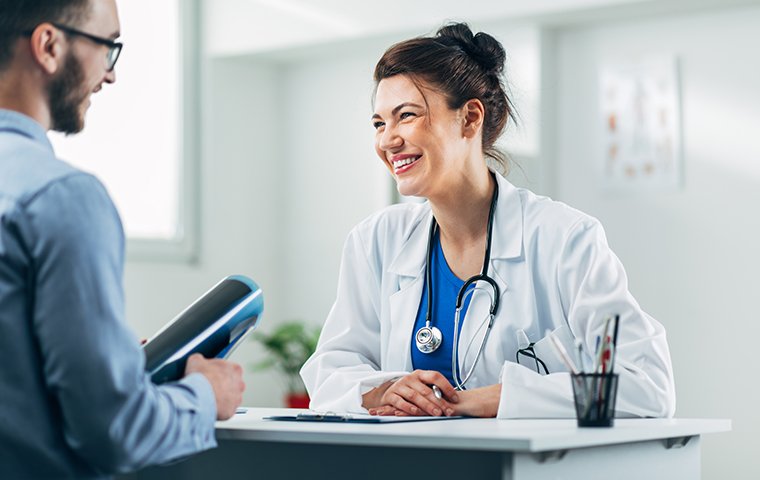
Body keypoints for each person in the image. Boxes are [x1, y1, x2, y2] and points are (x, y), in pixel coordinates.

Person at [300, 23, 676, 419]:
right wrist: (384, 392)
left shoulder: (564, 238)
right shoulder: (376, 241)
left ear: (469, 118)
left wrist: (488, 399)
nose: (387, 140)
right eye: (379, 123)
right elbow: (329, 373)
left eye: (406, 116)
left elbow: (647, 386)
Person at [0, 1, 245, 478]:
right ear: (49, 45)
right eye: (107, 46)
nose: (110, 76)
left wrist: (97, 355)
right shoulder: (61, 197)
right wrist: (203, 394)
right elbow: (116, 431)